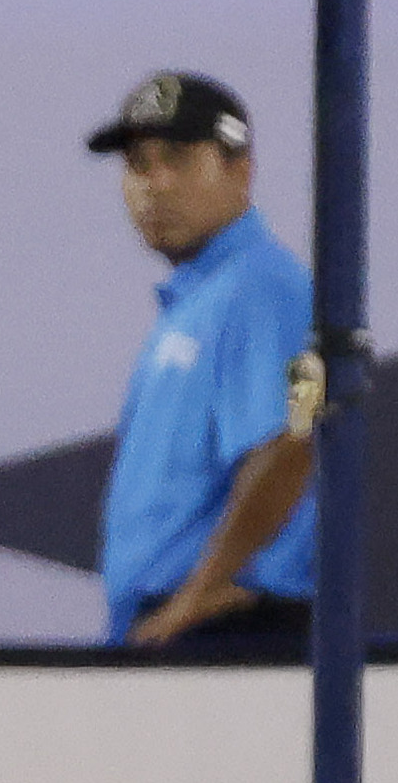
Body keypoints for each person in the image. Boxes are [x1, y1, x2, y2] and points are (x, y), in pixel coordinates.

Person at [86, 72, 320, 652]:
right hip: (188, 621)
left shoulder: (269, 290)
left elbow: (299, 436)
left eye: (179, 159)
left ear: (241, 169)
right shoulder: (205, 299)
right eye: (138, 163)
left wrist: (200, 592)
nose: (156, 184)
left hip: (225, 627)